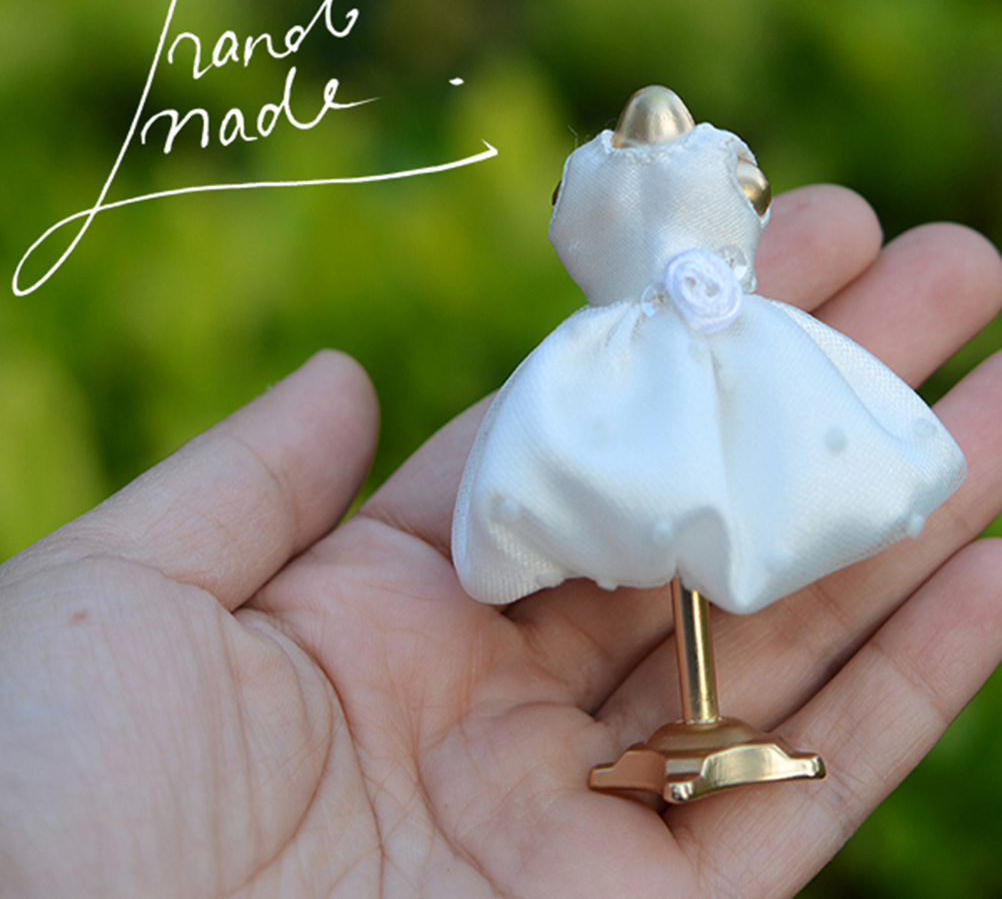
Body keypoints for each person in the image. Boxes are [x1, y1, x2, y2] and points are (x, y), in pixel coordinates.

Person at [1, 184, 1001, 898]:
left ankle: (709, 717)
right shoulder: (604, 193)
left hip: (737, 351)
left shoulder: (714, 170)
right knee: (659, 492)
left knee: (745, 477)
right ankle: (693, 722)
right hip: (631, 362)